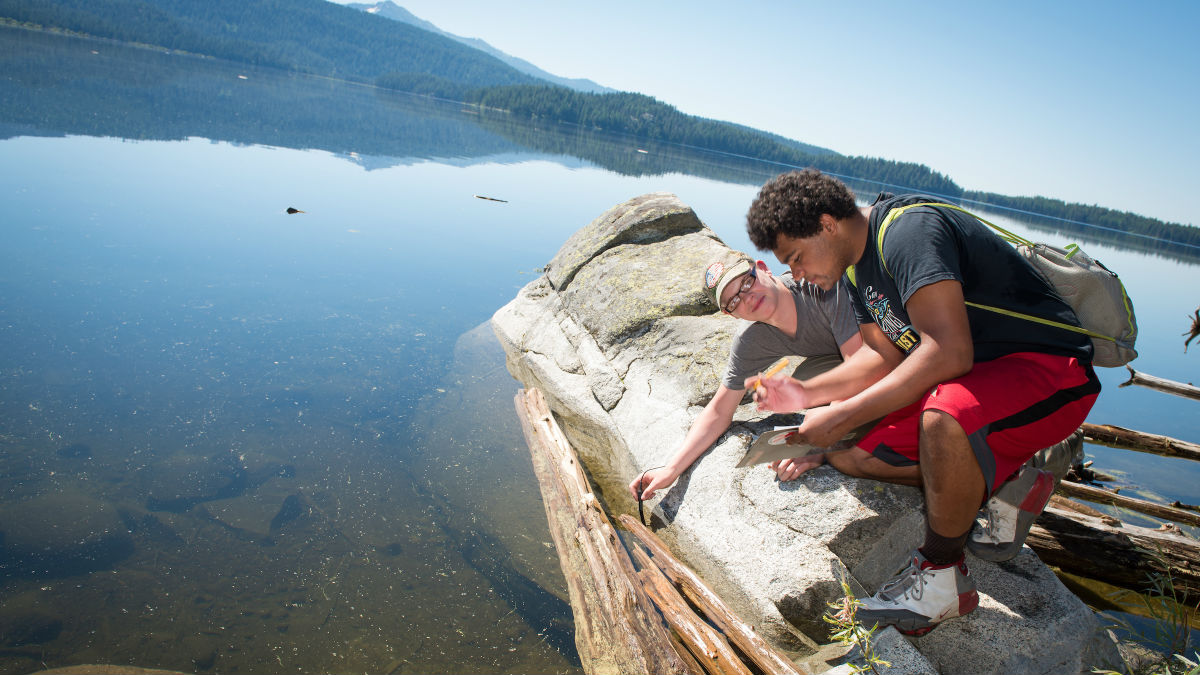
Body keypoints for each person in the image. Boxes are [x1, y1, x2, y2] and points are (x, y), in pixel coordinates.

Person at [744, 169, 1100, 635]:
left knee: (942, 419)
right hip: (977, 381)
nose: (796, 274)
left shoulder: (908, 234)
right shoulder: (853, 266)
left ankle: (941, 578)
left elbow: (948, 350)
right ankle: (1014, 475)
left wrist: (845, 413)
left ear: (828, 223)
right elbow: (881, 355)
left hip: (1049, 374)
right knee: (853, 456)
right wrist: (808, 394)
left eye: (795, 257)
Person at [628, 251, 862, 502]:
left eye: (747, 282)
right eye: (733, 302)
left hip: (887, 344)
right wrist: (671, 469)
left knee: (818, 398)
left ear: (763, 268)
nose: (747, 299)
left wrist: (821, 442)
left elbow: (862, 365)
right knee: (806, 380)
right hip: (846, 359)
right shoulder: (752, 339)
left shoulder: (817, 285)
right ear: (731, 314)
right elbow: (719, 411)